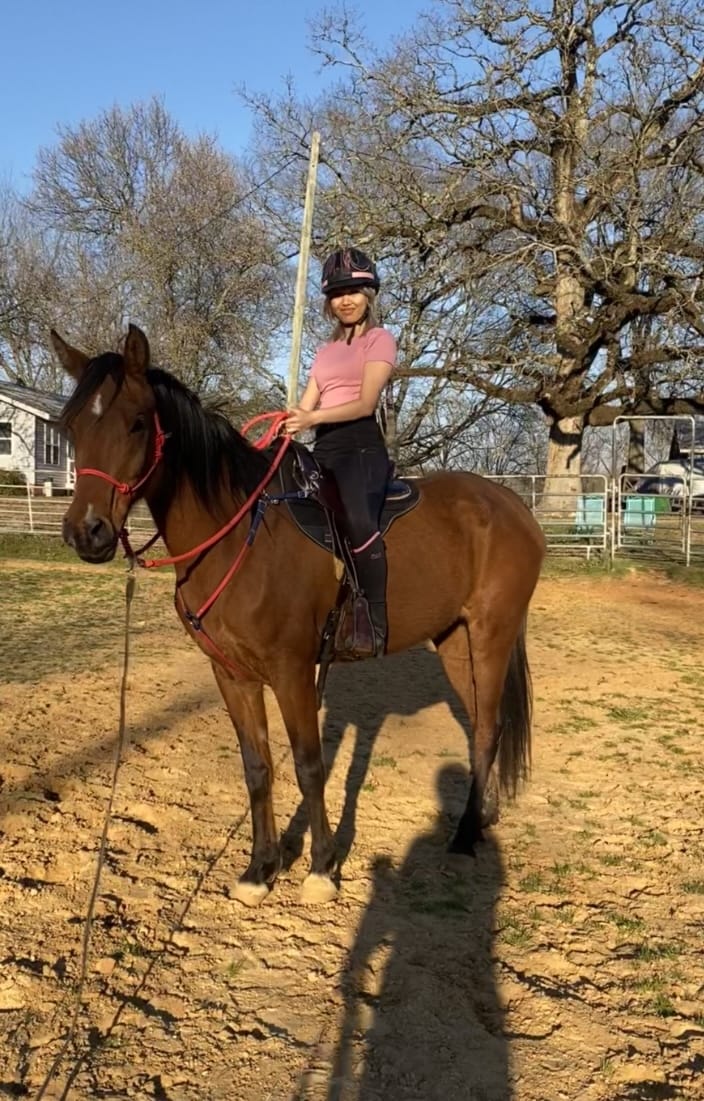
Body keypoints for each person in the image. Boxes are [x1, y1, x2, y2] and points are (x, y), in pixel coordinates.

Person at [285, 247, 396, 657]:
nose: (345, 300)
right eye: (337, 293)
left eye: (353, 291)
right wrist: (293, 419)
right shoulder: (325, 351)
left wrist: (311, 419)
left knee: (358, 519)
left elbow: (366, 403)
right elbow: (307, 401)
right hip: (324, 447)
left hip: (361, 446)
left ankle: (375, 623)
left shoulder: (379, 340)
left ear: (370, 295)